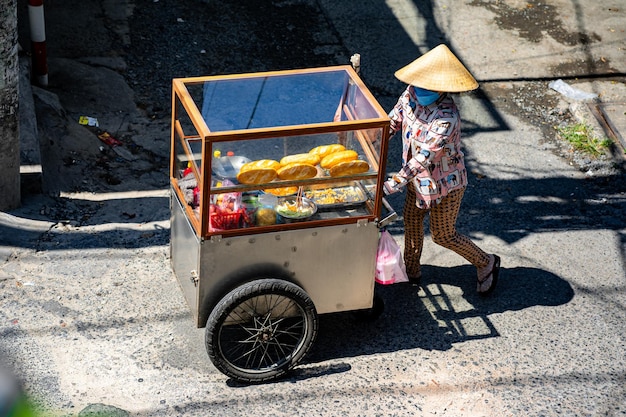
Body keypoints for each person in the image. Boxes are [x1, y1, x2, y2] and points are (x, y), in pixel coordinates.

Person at [383, 44, 500, 296]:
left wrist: (394, 183)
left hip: (446, 184)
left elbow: (424, 156)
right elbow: (393, 121)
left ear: (442, 89)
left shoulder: (447, 117)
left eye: (430, 87)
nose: (422, 90)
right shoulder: (409, 95)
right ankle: (411, 272)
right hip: (417, 182)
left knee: (443, 235)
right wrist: (372, 138)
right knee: (412, 224)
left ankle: (486, 262)